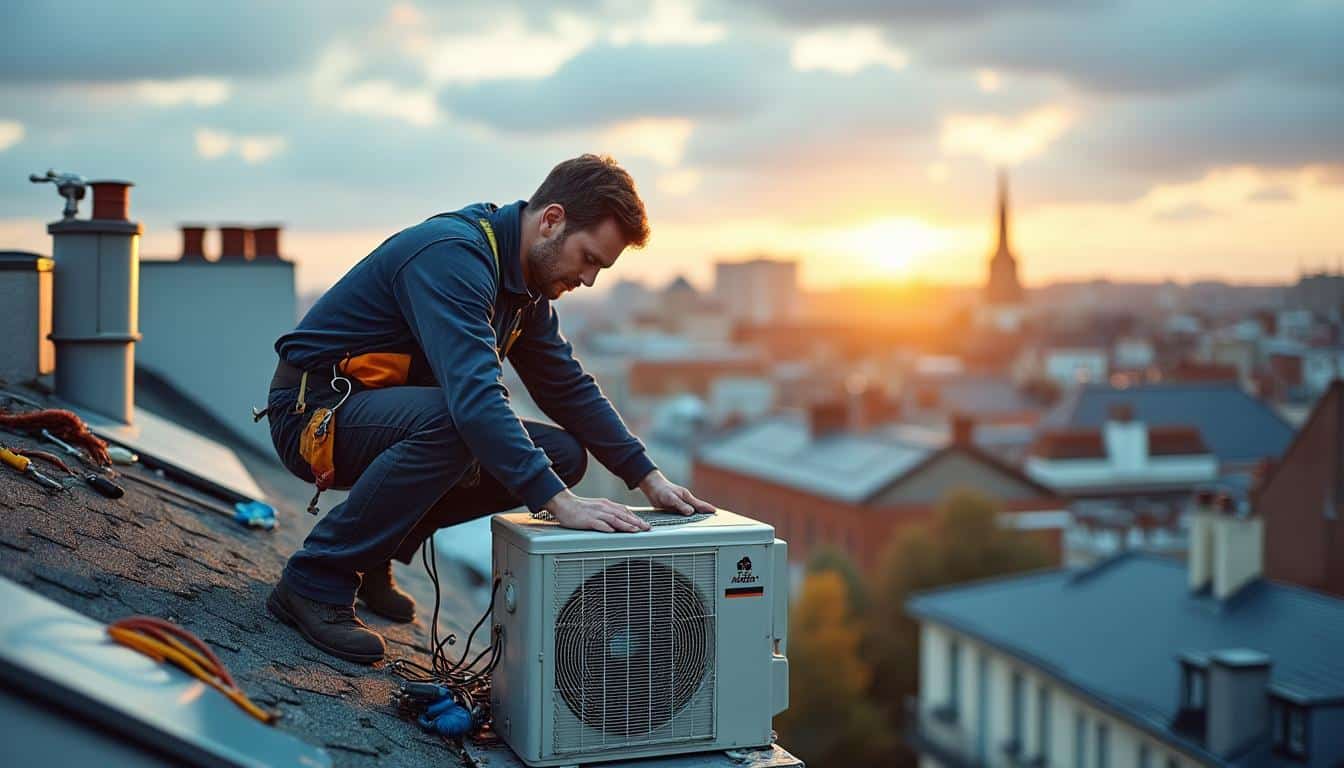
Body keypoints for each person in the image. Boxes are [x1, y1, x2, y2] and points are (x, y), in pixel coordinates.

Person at [262, 154, 716, 663]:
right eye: (588, 258)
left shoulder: (524, 290)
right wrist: (558, 503)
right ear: (552, 220)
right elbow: (475, 402)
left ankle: (373, 551)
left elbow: (566, 387)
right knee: (463, 425)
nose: (588, 280)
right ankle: (315, 579)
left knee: (562, 455)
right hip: (314, 415)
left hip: (382, 418)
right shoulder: (453, 257)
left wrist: (647, 477)